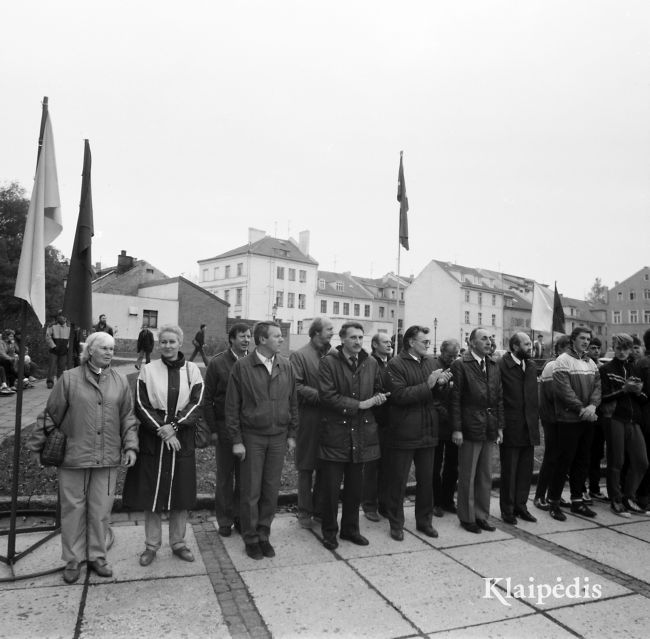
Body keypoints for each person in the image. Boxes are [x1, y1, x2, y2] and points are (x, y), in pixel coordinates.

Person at [26, 332, 138, 584]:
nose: (109, 352)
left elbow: (127, 418)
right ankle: (73, 560)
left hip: (108, 458)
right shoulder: (69, 379)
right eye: (104, 348)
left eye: (112, 348)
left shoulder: (119, 382)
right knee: (72, 511)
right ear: (90, 351)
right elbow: (50, 415)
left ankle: (97, 556)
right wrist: (36, 447)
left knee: (100, 511)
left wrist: (131, 447)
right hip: (73, 457)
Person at [122, 324, 204, 566]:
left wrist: (175, 426)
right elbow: (140, 404)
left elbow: (198, 403)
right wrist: (164, 431)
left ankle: (178, 543)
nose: (167, 346)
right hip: (154, 438)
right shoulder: (148, 370)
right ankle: (151, 545)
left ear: (180, 343)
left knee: (180, 492)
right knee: (152, 494)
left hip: (182, 438)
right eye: (164, 342)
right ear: (159, 344)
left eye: (172, 341)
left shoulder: (192, 370)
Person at [225, 321, 298, 560]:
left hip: (278, 437)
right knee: (250, 490)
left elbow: (293, 402)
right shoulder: (243, 367)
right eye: (277, 336)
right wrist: (236, 439)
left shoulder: (285, 366)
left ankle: (264, 533)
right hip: (252, 437)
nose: (281, 339)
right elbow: (232, 407)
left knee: (270, 489)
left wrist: (291, 434)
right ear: (263, 339)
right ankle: (250, 537)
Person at [318, 322, 387, 549]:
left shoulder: (371, 362)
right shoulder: (329, 362)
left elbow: (378, 386)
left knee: (355, 488)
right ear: (342, 339)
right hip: (336, 433)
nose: (358, 342)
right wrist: (360, 404)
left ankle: (350, 529)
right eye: (353, 338)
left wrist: (379, 397)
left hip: (361, 434)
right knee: (330, 488)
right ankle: (329, 531)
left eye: (360, 337)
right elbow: (327, 396)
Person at [385, 326, 450, 541]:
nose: (428, 345)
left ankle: (425, 521)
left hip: (428, 431)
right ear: (411, 342)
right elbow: (399, 396)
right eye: (424, 341)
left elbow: (435, 395)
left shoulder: (431, 363)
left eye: (428, 342)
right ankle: (396, 523)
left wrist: (441, 384)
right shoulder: (396, 364)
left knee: (426, 481)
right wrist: (429, 384)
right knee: (398, 481)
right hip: (404, 432)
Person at [451, 328, 504, 534]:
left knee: (485, 475)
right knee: (468, 475)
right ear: (471, 343)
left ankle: (482, 515)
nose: (489, 341)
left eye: (490, 338)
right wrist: (457, 429)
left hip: (489, 426)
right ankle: (467, 516)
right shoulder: (461, 364)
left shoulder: (492, 364)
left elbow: (499, 397)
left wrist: (499, 426)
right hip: (470, 426)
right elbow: (455, 399)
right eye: (484, 338)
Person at [546, 326, 601, 521]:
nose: (586, 342)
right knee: (564, 461)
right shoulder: (562, 361)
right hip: (569, 419)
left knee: (582, 460)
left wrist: (593, 406)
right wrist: (581, 409)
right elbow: (563, 390)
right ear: (573, 340)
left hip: (587, 418)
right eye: (582, 338)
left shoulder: (591, 363)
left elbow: (597, 387)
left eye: (588, 339)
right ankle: (553, 502)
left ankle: (578, 501)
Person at [204, 322, 251, 536]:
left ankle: (241, 517)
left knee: (244, 478)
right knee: (225, 477)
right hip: (224, 428)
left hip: (249, 429)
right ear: (231, 339)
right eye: (242, 336)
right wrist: (213, 429)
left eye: (249, 336)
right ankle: (224, 520)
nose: (246, 340)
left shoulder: (253, 361)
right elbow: (207, 399)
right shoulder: (218, 363)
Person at [290, 317, 334, 528]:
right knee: (306, 467)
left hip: (331, 420)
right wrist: (324, 397)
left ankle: (320, 508)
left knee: (326, 466)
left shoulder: (333, 355)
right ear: (316, 332)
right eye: (329, 329)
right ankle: (304, 511)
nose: (332, 333)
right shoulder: (300, 356)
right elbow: (296, 387)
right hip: (309, 419)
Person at [600, 334, 649, 517]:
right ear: (614, 347)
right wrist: (624, 390)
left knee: (642, 462)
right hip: (614, 418)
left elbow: (644, 399)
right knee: (616, 461)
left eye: (626, 348)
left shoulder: (634, 368)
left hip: (633, 420)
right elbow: (602, 399)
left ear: (630, 350)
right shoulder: (606, 369)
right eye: (619, 348)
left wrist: (637, 392)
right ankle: (616, 500)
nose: (622, 352)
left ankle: (629, 496)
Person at [498, 332, 540, 525]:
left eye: (530, 343)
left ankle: (521, 506)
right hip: (511, 425)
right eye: (526, 344)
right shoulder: (502, 366)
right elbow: (497, 397)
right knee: (510, 470)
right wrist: (500, 424)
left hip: (529, 425)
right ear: (515, 347)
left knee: (525, 470)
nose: (530, 347)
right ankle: (507, 509)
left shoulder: (531, 366)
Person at [534, 335, 571, 511]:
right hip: (552, 418)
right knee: (551, 457)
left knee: (563, 458)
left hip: (565, 419)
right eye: (567, 348)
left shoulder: (570, 365)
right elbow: (552, 395)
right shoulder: (551, 365)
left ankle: (554, 494)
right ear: (560, 349)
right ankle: (540, 495)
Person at [362, 332, 393, 521]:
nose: (389, 344)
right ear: (374, 344)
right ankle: (369, 505)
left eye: (390, 341)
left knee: (388, 466)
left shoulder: (393, 362)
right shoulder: (369, 363)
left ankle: (384, 504)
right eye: (385, 342)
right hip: (373, 419)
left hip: (390, 421)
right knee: (372, 466)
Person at [432, 339, 460, 517]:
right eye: (450, 355)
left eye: (455, 355)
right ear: (442, 352)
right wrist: (446, 415)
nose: (452, 358)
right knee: (434, 466)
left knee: (453, 465)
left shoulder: (457, 367)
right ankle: (435, 502)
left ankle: (448, 500)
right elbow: (432, 395)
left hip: (453, 424)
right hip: (437, 423)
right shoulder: (434, 366)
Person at [585, 337, 607, 503]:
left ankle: (594, 488)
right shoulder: (585, 365)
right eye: (593, 348)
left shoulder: (603, 367)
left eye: (598, 348)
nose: (596, 351)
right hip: (587, 414)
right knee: (585, 454)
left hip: (600, 416)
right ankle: (582, 489)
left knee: (597, 454)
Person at [633, 327, 650, 510]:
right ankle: (643, 496)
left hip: (642, 417)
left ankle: (642, 495)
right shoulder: (644, 364)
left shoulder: (640, 364)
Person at [45, 311, 70, 389]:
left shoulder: (69, 326)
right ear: (58, 317)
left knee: (62, 367)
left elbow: (70, 338)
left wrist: (67, 347)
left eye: (65, 316)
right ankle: (50, 381)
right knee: (52, 366)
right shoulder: (52, 325)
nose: (64, 318)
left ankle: (60, 381)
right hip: (54, 350)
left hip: (64, 350)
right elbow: (48, 337)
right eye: (62, 316)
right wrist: (53, 346)